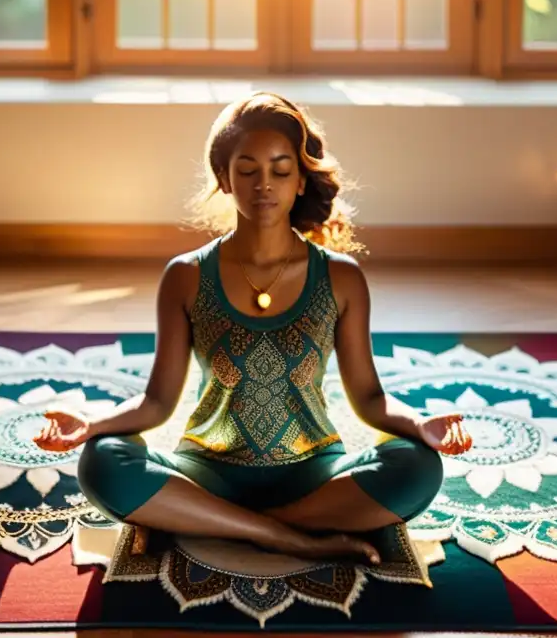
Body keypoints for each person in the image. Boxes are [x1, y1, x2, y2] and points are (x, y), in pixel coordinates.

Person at [33, 92, 472, 565]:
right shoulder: (186, 276)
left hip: (313, 472)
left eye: (281, 170)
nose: (265, 184)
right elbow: (157, 403)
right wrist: (90, 426)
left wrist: (419, 424)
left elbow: (370, 399)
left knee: (417, 466)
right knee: (103, 461)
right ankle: (287, 535)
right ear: (224, 178)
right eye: (247, 170)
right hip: (207, 470)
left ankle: (218, 523)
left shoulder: (341, 278)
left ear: (302, 179)